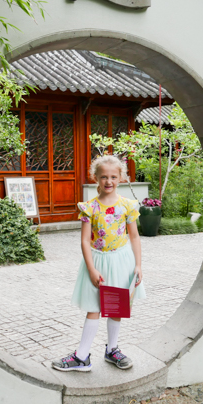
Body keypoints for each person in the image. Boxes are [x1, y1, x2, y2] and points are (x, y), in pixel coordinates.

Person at [52, 154, 146, 372]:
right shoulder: (90, 207)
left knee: (117, 308)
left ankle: (112, 350)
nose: (109, 181)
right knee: (94, 308)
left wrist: (138, 265)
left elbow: (134, 237)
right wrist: (92, 269)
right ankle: (82, 357)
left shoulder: (127, 206)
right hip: (97, 263)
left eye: (113, 176)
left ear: (121, 177)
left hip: (122, 262)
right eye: (104, 177)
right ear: (96, 178)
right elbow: (85, 240)